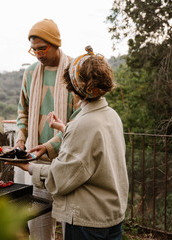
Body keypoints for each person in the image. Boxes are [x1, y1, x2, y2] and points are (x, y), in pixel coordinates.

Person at [9, 46, 129, 240]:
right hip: (112, 216)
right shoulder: (111, 115)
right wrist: (65, 129)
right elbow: (93, 148)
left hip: (87, 221)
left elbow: (61, 178)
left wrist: (27, 166)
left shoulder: (83, 124)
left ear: (76, 87)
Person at [15, 19, 80, 240]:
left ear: (55, 44)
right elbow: (22, 112)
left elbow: (79, 122)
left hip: (67, 164)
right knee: (39, 231)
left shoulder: (74, 70)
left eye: (42, 48)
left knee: (71, 229)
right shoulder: (30, 73)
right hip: (36, 165)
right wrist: (20, 140)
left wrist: (51, 146)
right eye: (34, 50)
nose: (38, 54)